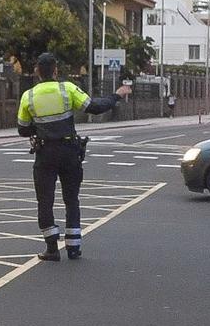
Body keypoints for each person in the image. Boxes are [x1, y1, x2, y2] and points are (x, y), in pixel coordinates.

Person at [16, 53, 129, 261]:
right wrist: (117, 96)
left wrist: (40, 128)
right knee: (71, 200)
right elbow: (94, 107)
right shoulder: (66, 88)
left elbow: (22, 129)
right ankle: (73, 247)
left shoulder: (28, 96)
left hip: (45, 154)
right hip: (69, 152)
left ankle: (51, 249)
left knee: (45, 201)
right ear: (56, 71)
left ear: (37, 72)